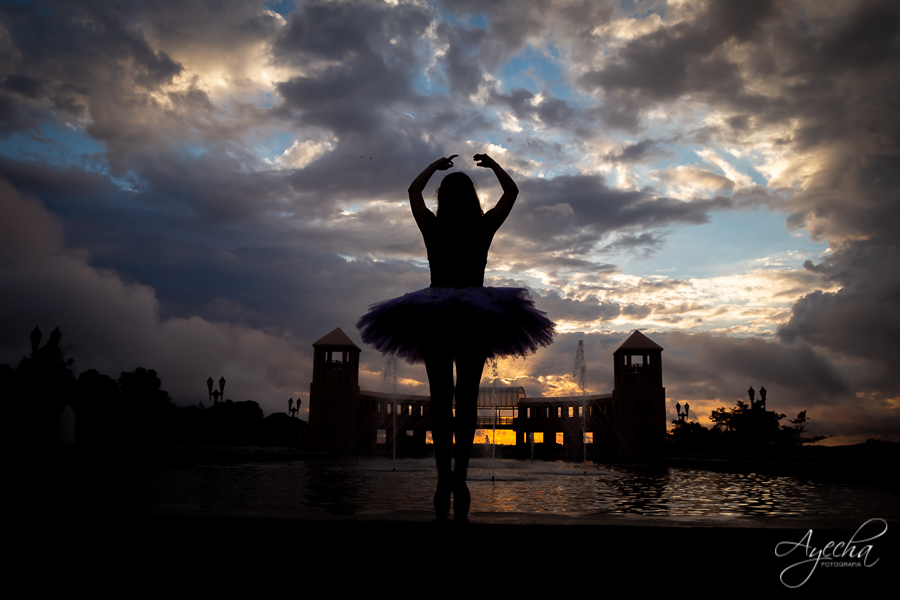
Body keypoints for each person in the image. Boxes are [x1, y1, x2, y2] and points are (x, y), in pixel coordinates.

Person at [357, 153, 555, 519]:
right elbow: (512, 192)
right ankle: (460, 477)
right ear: (472, 199)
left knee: (439, 398)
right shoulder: (484, 227)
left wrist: (434, 167)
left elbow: (413, 191)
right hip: (474, 317)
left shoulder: (432, 227)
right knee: (466, 399)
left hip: (435, 315)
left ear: (443, 200)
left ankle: (442, 477)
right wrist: (494, 166)